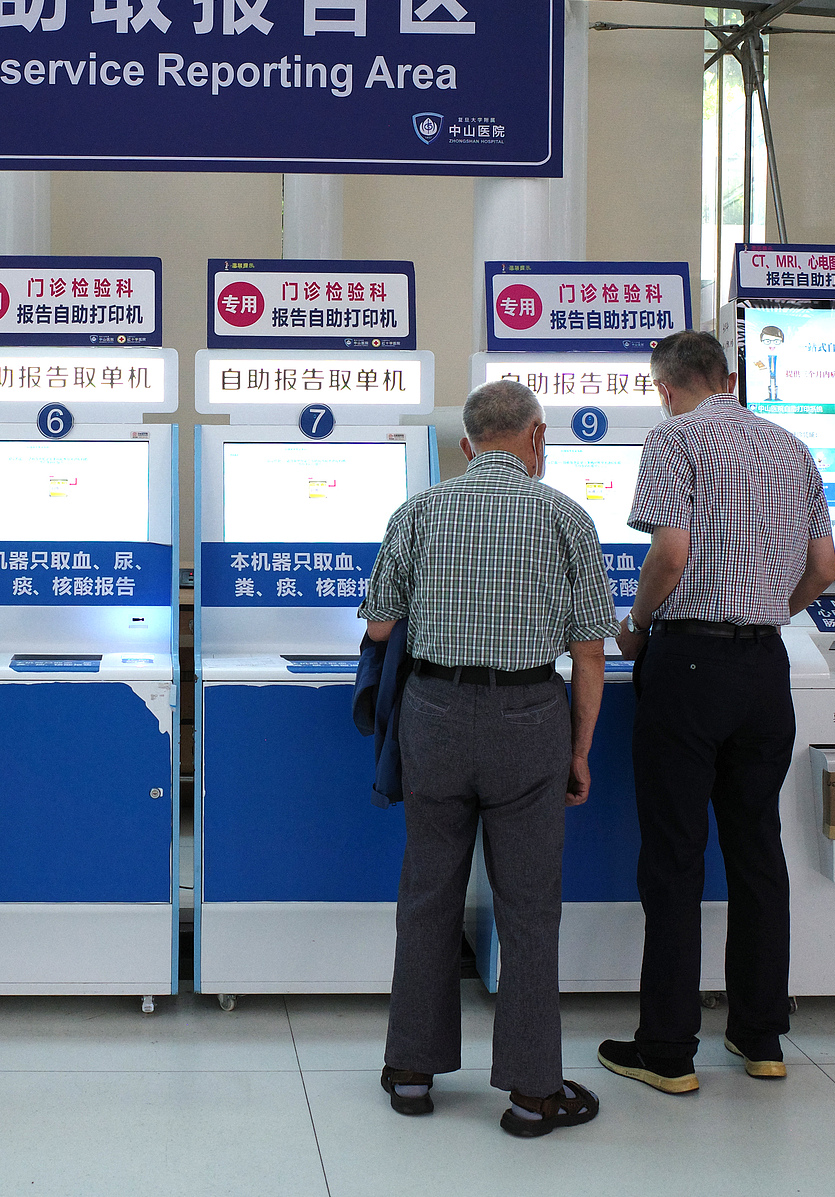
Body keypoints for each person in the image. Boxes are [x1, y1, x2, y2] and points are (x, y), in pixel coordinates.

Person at [359, 379, 614, 1139]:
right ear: (536, 438)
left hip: (434, 717)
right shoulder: (567, 516)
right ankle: (534, 1093)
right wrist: (579, 748)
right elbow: (591, 652)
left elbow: (378, 627)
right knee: (529, 909)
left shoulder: (420, 510)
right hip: (529, 715)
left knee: (428, 893)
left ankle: (411, 1070)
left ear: (468, 445)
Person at [605, 330, 835, 1095]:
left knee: (674, 856)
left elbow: (669, 553)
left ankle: (667, 1049)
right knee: (756, 851)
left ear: (665, 388)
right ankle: (760, 1034)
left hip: (689, 661)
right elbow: (823, 568)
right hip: (765, 667)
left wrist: (636, 625)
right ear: (727, 376)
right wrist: (769, 611)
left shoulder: (674, 438)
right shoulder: (788, 444)